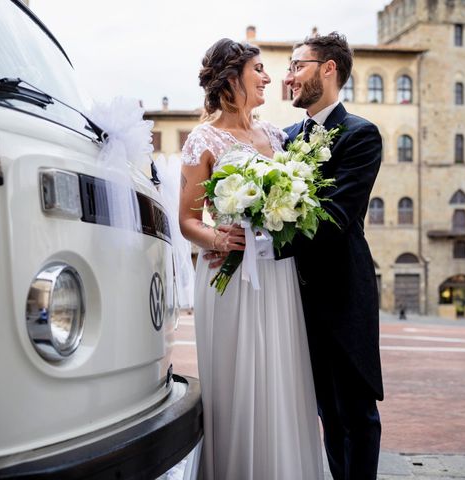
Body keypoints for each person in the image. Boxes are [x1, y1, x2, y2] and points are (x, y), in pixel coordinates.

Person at [179, 38, 324, 480]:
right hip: (230, 275)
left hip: (278, 276)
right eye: (258, 69)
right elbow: (187, 219)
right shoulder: (202, 140)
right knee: (235, 381)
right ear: (231, 78)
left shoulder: (278, 136)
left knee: (281, 377)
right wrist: (217, 240)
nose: (267, 77)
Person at [281, 32, 384, 480]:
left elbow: (338, 216)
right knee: (326, 411)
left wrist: (271, 234)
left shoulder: (360, 135)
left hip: (344, 293)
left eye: (298, 65)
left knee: (356, 413)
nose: (289, 77)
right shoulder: (283, 139)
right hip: (294, 298)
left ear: (328, 69)